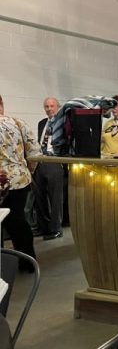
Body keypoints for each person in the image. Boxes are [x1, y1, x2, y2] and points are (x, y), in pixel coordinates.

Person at [0, 95, 41, 268]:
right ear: (2, 104)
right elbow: (34, 152)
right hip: (18, 180)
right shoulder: (18, 123)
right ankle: (27, 262)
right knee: (17, 220)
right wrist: (27, 171)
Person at [33, 97, 65, 240]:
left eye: (52, 106)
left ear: (58, 107)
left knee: (55, 198)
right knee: (39, 197)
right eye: (46, 106)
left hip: (55, 161)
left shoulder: (63, 123)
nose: (49, 109)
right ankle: (43, 227)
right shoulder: (42, 123)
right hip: (40, 162)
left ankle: (56, 228)